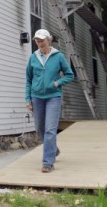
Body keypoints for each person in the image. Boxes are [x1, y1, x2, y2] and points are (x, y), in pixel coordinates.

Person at [25, 29, 75, 173]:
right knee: (40, 129)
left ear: (49, 40)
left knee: (50, 129)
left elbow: (69, 74)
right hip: (37, 97)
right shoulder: (33, 58)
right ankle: (54, 149)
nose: (40, 43)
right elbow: (28, 80)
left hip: (53, 97)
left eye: (42, 40)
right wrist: (28, 99)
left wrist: (57, 83)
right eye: (37, 41)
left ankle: (48, 163)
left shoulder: (58, 56)